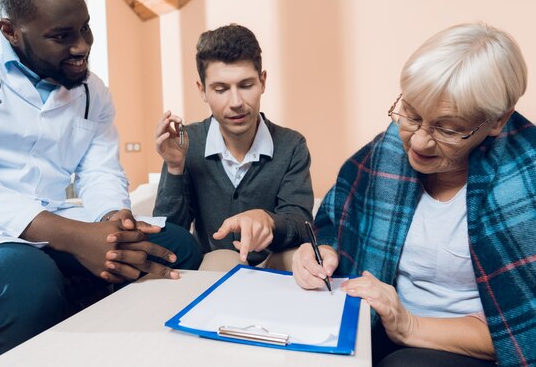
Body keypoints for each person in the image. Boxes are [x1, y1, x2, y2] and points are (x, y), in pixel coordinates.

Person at [0, 0, 201, 366]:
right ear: (9, 30)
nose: (82, 46)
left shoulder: (92, 90)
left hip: (53, 214)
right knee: (23, 283)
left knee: (173, 249)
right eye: (61, 36)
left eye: (85, 28)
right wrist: (76, 237)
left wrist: (117, 221)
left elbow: (99, 170)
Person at [292, 23, 535, 367]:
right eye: (412, 114)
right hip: (379, 325)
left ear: (497, 121)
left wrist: (408, 325)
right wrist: (323, 252)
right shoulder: (388, 151)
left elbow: (524, 332)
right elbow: (334, 217)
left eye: (448, 129)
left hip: (468, 350)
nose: (418, 142)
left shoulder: (526, 182)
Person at [153, 24, 314, 270]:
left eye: (246, 85)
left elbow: (302, 225)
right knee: (221, 261)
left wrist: (268, 220)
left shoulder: (292, 145)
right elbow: (169, 237)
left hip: (274, 264)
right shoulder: (188, 142)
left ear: (262, 82)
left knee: (302, 259)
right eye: (221, 89)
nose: (236, 102)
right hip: (214, 267)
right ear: (203, 91)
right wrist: (175, 168)